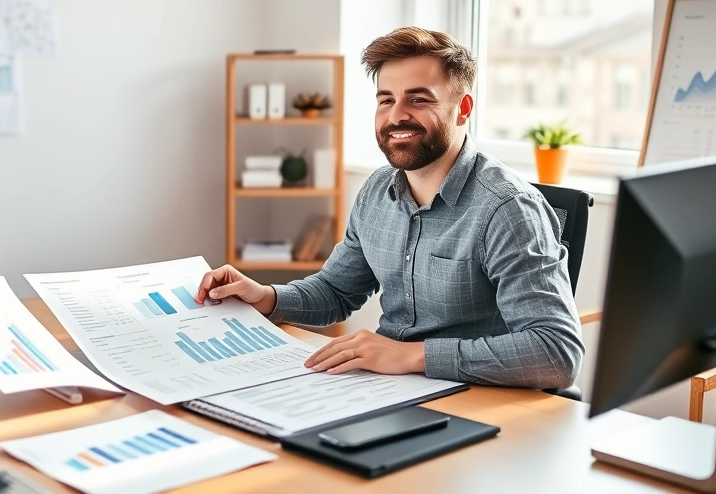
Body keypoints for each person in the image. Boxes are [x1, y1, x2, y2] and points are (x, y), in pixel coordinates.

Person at [196, 27, 583, 390]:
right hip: (385, 388)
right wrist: (264, 296)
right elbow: (335, 292)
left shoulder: (507, 209)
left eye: (418, 99)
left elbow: (557, 353)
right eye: (386, 100)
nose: (396, 115)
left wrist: (412, 355)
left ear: (463, 109)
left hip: (473, 399)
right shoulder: (378, 191)